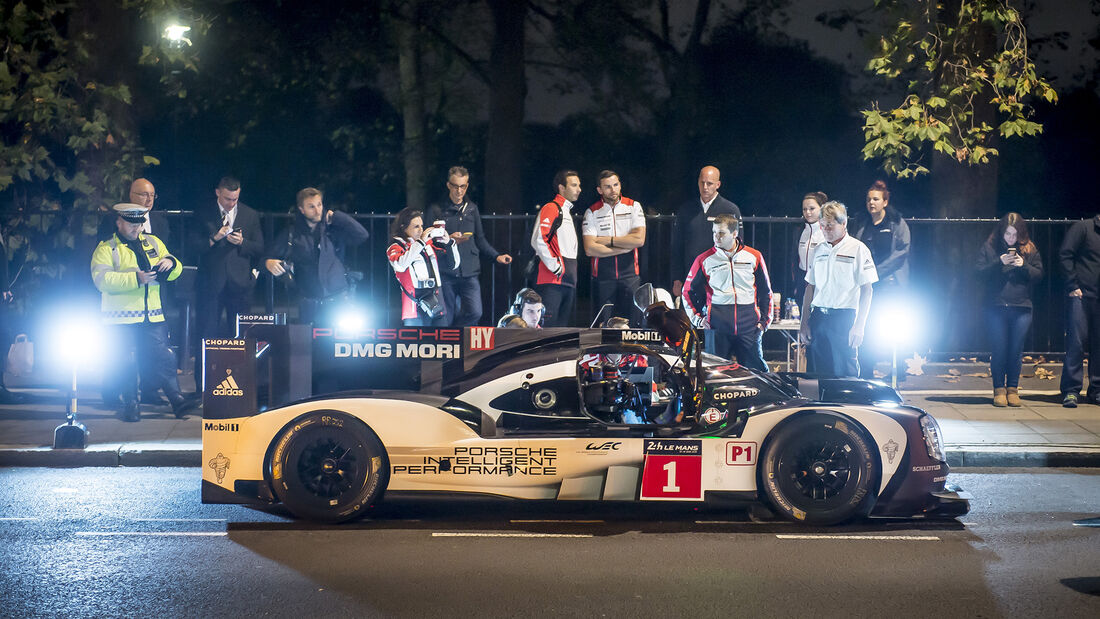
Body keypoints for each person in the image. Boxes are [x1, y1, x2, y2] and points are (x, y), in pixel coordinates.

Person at [91, 204, 197, 421]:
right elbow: (101, 281)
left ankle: (177, 400)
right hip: (121, 317)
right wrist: (136, 279)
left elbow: (176, 268)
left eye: (139, 224)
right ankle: (132, 405)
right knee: (127, 360)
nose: (137, 228)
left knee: (165, 356)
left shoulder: (153, 242)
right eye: (131, 224)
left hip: (152, 314)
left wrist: (170, 262)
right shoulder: (107, 248)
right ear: (119, 222)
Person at [193, 176, 263, 385]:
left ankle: (241, 386)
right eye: (227, 199)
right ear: (218, 193)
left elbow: (260, 247)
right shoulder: (203, 213)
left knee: (241, 337)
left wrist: (243, 242)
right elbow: (192, 246)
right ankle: (202, 386)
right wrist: (214, 238)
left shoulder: (250, 214)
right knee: (206, 334)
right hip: (211, 284)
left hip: (240, 284)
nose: (231, 203)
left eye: (234, 199)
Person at [682, 213, 774, 372]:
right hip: (718, 325)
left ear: (734, 234)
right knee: (715, 375)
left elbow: (766, 292)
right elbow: (687, 292)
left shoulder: (754, 256)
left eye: (721, 233)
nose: (716, 237)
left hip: (749, 325)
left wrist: (764, 322)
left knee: (756, 374)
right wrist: (698, 319)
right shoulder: (704, 259)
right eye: (714, 232)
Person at [264, 188, 369, 324]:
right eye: (311, 206)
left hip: (338, 299)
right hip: (308, 301)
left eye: (319, 204)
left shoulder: (333, 229)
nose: (317, 210)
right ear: (301, 209)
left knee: (338, 342)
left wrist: (338, 217)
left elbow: (362, 235)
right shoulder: (292, 233)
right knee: (308, 343)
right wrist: (268, 263)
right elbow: (265, 257)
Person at [425, 166, 512, 326]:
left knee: (475, 311)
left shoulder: (472, 209)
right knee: (444, 317)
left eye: (463, 186)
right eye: (456, 186)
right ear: (448, 185)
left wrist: (496, 256)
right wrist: (448, 240)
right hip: (445, 270)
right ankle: (445, 344)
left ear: (467, 185)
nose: (459, 191)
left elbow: (480, 239)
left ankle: (458, 335)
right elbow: (427, 240)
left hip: (469, 270)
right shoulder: (436, 209)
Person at [800, 201, 878, 378]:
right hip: (819, 318)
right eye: (822, 225)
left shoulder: (858, 249)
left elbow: (867, 290)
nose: (825, 230)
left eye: (830, 225)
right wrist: (804, 323)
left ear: (843, 224)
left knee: (845, 375)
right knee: (816, 376)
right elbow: (810, 287)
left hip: (844, 319)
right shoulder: (818, 249)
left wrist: (859, 325)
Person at [976, 213, 1043, 407]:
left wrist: (1024, 266)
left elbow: (1039, 274)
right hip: (996, 306)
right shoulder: (990, 247)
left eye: (1014, 234)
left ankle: (1012, 389)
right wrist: (1000, 262)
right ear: (1001, 232)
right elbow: (978, 272)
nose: (1011, 238)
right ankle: (998, 389)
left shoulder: (1029, 249)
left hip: (1021, 306)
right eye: (1008, 234)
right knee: (999, 348)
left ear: (1021, 234)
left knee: (1015, 350)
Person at [851, 180, 911, 379]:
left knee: (891, 329)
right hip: (867, 285)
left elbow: (901, 253)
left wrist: (877, 273)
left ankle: (897, 369)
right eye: (869, 199)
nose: (871, 203)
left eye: (876, 199)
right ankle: (866, 372)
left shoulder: (896, 223)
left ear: (885, 202)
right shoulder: (861, 222)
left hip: (891, 285)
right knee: (866, 327)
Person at [582, 170, 646, 321]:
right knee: (603, 325)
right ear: (600, 190)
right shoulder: (591, 212)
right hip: (603, 277)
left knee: (633, 323)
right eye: (608, 187)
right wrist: (623, 247)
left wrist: (608, 240)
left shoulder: (633, 206)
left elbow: (639, 240)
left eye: (616, 185)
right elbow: (590, 248)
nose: (613, 190)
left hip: (630, 274)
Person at [672, 166, 742, 297]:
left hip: (720, 277)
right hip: (691, 274)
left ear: (718, 184)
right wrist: (677, 278)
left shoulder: (730, 209)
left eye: (709, 183)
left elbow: (738, 246)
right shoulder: (686, 209)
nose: (705, 187)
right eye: (702, 182)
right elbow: (677, 246)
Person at [387, 207, 460, 326]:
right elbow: (400, 265)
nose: (421, 230)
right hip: (414, 303)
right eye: (416, 227)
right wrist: (420, 243)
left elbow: (453, 265)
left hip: (435, 300)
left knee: (442, 340)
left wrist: (449, 243)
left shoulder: (428, 243)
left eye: (422, 226)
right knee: (415, 342)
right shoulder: (397, 244)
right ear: (403, 227)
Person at [1058, 212, 1100, 407]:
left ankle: (1096, 390)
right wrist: (1073, 285)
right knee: (1076, 344)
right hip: (1082, 295)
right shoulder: (1084, 227)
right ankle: (1071, 390)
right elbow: (1065, 254)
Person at [531, 170, 581, 327]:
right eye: (574, 185)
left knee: (560, 330)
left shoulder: (565, 210)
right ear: (561, 187)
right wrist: (556, 266)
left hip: (567, 279)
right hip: (551, 279)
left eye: (579, 185)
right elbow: (539, 239)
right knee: (548, 329)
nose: (579, 189)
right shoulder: (552, 207)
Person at [97, 178, 173, 243]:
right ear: (131, 195)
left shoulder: (161, 222)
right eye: (144, 194)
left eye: (152, 195)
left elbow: (166, 252)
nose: (149, 199)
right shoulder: (112, 219)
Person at [794, 191, 827, 303]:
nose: (808, 212)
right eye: (804, 209)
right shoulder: (800, 231)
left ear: (821, 208)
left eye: (812, 208)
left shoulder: (827, 231)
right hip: (803, 281)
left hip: (821, 282)